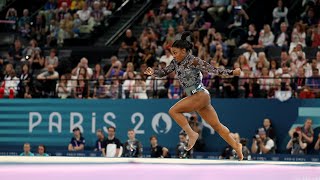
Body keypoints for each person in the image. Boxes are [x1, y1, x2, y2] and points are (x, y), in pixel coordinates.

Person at [144, 31, 244, 160]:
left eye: (175, 53)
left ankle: (191, 134)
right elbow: (164, 72)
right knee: (217, 126)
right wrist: (153, 72)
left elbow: (213, 70)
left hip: (200, 94)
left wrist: (232, 72)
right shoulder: (175, 62)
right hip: (198, 97)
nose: (173, 56)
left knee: (173, 111)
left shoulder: (194, 61)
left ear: (184, 51)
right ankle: (237, 146)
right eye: (172, 53)